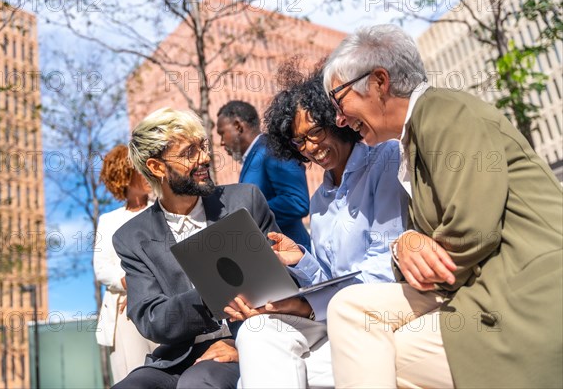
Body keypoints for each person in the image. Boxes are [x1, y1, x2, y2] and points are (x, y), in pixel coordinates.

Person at [322, 24, 563, 388]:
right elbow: (434, 240)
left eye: (339, 100)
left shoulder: (442, 111)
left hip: (526, 295)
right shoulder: (416, 138)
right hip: (480, 283)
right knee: (348, 308)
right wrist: (405, 245)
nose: (339, 118)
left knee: (386, 354)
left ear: (379, 82)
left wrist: (410, 249)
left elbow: (468, 234)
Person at [225, 63, 408, 388]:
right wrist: (302, 260)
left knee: (269, 366)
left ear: (336, 120)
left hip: (374, 311)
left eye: (315, 133)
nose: (310, 147)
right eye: (298, 142)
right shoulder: (320, 200)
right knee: (256, 332)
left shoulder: (385, 160)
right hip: (332, 315)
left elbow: (384, 269)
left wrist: (306, 306)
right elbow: (330, 279)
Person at [111, 107, 280, 389]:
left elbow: (286, 284)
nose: (205, 157)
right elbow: (152, 319)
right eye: (190, 152)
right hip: (177, 357)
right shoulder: (131, 237)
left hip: (249, 341)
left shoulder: (245, 201)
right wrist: (212, 294)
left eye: (202, 146)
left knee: (198, 383)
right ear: (156, 167)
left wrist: (243, 346)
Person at [94, 144, 158, 384]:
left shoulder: (162, 211)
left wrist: (143, 284)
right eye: (138, 168)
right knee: (134, 376)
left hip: (162, 303)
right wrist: (130, 282)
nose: (145, 173)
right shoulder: (109, 221)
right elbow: (102, 269)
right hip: (124, 309)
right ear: (124, 174)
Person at [216, 100, 311, 249]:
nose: (221, 142)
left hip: (293, 259)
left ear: (237, 126)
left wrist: (246, 218)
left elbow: (297, 202)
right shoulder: (254, 157)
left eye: (222, 133)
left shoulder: (271, 149)